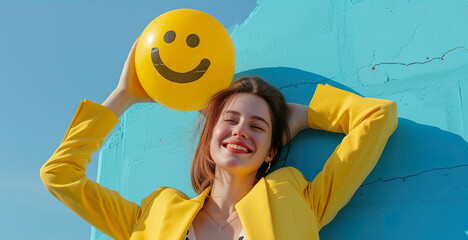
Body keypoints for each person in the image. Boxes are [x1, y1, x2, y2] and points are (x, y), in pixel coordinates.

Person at [40, 39, 398, 240]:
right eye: (230, 120)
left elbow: (377, 116)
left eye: (258, 126)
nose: (241, 130)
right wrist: (124, 95)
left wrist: (304, 115)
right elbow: (60, 175)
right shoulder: (154, 214)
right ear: (209, 137)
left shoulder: (298, 198)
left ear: (273, 149)